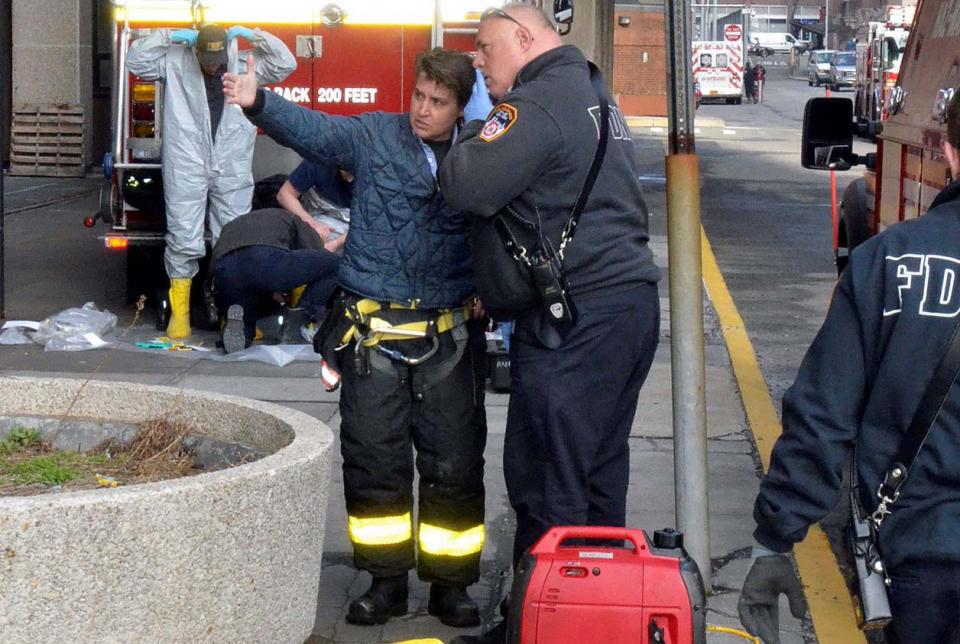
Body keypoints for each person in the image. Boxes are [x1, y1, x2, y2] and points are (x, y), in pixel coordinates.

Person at [223, 48, 491, 628]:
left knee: (455, 466)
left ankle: (450, 586)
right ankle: (386, 581)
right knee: (374, 463)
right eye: (418, 95)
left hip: (447, 340)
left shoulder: (481, 155)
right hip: (373, 341)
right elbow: (315, 130)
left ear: (460, 106)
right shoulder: (374, 137)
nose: (422, 109)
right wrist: (259, 102)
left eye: (438, 102)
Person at [438, 5, 661, 641]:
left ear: (525, 39)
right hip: (621, 309)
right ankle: (590, 622)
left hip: (578, 321)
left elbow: (466, 185)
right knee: (594, 479)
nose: (477, 61)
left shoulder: (533, 105)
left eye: (485, 48)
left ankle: (544, 629)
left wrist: (477, 122)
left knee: (548, 483)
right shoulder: (591, 88)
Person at [738, 92, 960, 644]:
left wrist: (775, 537)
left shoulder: (889, 262)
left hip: (924, 560)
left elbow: (823, 412)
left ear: (951, 153)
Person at [127, 24, 295, 339]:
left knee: (234, 238)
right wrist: (169, 35)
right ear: (196, 50)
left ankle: (235, 314)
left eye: (218, 59)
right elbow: (135, 61)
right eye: (207, 58)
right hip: (187, 161)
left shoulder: (246, 63)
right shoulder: (175, 60)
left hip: (231, 161)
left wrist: (253, 33)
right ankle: (181, 316)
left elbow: (287, 62)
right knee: (183, 234)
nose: (213, 65)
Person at [210, 207, 342, 354]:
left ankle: (243, 329)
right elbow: (315, 255)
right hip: (264, 261)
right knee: (335, 265)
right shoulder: (295, 220)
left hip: (225, 272)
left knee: (244, 303)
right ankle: (297, 325)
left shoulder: (237, 223)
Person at [276, 160, 353, 241]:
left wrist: (336, 244)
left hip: (359, 226)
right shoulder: (317, 160)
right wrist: (312, 223)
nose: (348, 179)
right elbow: (285, 194)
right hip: (320, 216)